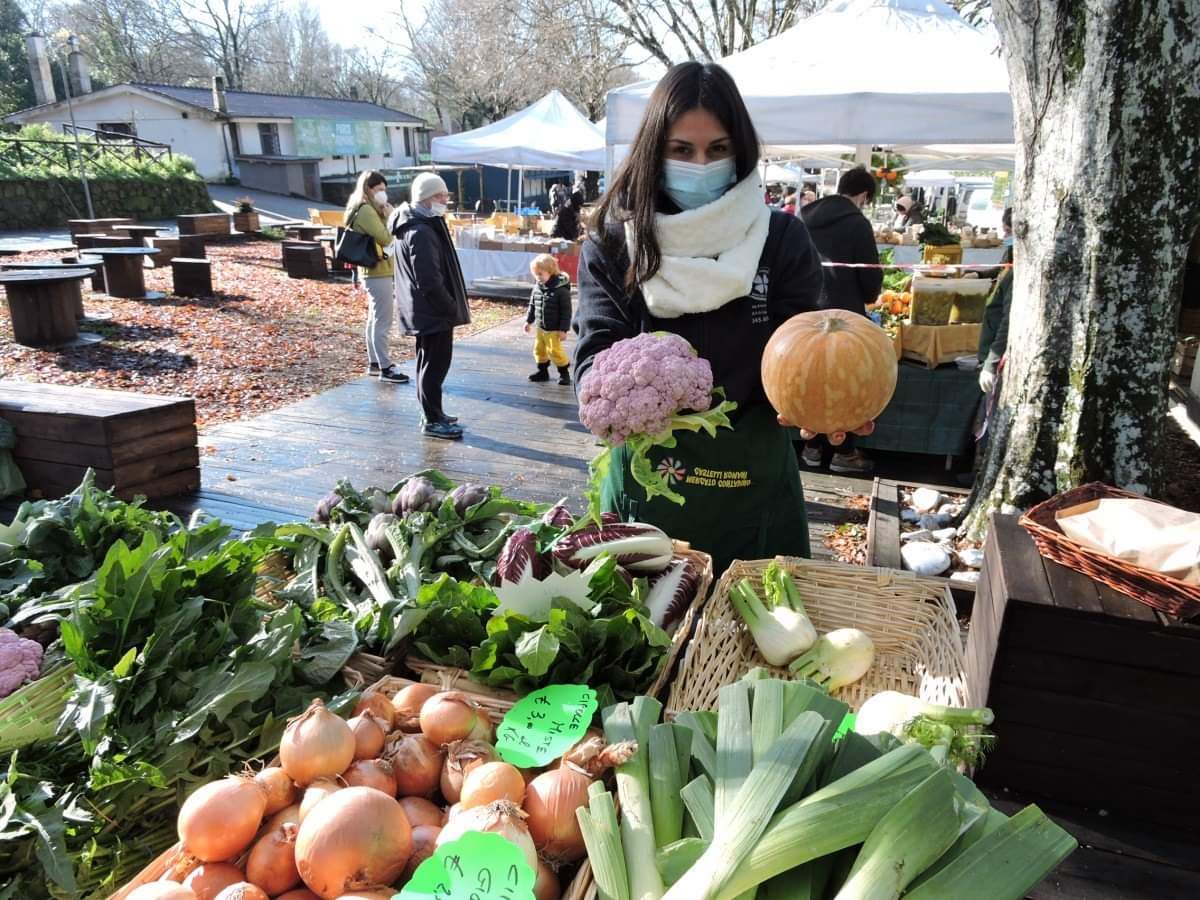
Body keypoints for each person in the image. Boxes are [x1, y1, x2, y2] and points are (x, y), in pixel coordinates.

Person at [573, 61, 827, 575]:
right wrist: (621, 394)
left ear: (740, 152)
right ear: (653, 151)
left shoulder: (780, 241)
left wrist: (828, 407)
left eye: (717, 150)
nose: (700, 164)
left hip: (755, 482)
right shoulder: (614, 242)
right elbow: (591, 363)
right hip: (649, 484)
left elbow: (811, 357)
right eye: (681, 151)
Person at [798, 164, 882, 474]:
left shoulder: (804, 216)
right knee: (844, 381)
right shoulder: (857, 223)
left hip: (804, 312)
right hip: (844, 312)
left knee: (809, 378)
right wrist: (870, 296)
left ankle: (811, 446)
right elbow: (869, 276)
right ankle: (843, 452)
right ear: (863, 195)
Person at [389, 172, 472, 440]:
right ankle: (433, 419)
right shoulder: (420, 231)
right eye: (440, 196)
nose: (445, 201)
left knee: (430, 364)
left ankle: (433, 412)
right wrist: (449, 307)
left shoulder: (419, 224)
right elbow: (429, 280)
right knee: (434, 366)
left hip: (426, 311)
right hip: (432, 312)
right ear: (425, 198)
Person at [345, 170, 408, 384]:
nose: (383, 193)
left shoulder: (365, 208)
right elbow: (385, 236)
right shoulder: (365, 211)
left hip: (372, 271)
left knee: (374, 318)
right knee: (383, 319)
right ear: (368, 189)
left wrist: (383, 211)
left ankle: (374, 363)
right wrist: (391, 215)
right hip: (377, 270)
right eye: (379, 189)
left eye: (384, 189)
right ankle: (386, 367)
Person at [525, 254, 573, 385]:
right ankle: (542, 372)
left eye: (540, 274)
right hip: (541, 328)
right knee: (538, 350)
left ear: (550, 272)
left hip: (554, 329)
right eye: (535, 274)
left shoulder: (561, 291)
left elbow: (566, 312)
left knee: (555, 351)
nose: (537, 277)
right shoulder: (537, 288)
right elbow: (533, 305)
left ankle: (564, 373)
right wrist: (528, 321)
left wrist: (563, 329)